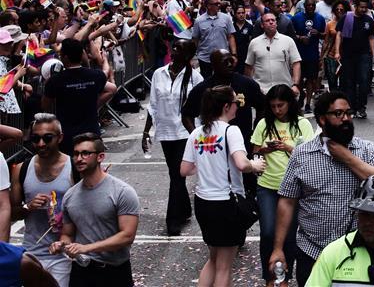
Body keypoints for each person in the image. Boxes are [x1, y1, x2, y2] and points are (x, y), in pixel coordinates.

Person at [270, 92, 374, 286]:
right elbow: (287, 201)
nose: (346, 119)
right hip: (312, 251)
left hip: (358, 252)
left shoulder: (367, 150)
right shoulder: (302, 155)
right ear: (322, 119)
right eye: (338, 114)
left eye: (348, 113)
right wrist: (278, 248)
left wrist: (348, 158)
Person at [180, 86, 266, 287]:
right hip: (226, 203)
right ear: (226, 106)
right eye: (236, 102)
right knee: (224, 266)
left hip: (203, 202)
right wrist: (255, 164)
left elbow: (185, 169)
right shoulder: (231, 131)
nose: (238, 106)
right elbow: (242, 164)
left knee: (213, 258)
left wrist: (207, 164)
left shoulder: (197, 133)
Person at [49, 133, 140, 286]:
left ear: (100, 157)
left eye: (85, 153)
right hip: (82, 271)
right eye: (76, 154)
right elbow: (67, 233)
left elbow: (127, 236)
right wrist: (62, 245)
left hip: (114, 272)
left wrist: (86, 248)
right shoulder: (70, 196)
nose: (79, 158)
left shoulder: (122, 191)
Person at [250, 85, 314, 287]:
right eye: (274, 106)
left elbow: (310, 154)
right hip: (267, 184)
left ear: (290, 103)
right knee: (268, 232)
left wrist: (287, 147)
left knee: (288, 235)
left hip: (294, 188)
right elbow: (254, 152)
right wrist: (265, 149)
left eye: (281, 105)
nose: (278, 110)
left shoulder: (302, 124)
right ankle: (270, 276)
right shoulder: (263, 123)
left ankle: (284, 276)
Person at [143, 38, 202, 236]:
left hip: (185, 132)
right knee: (175, 174)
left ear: (187, 55)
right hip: (166, 132)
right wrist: (146, 132)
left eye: (179, 48)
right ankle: (185, 208)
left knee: (177, 176)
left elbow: (200, 109)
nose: (173, 50)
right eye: (174, 47)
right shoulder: (159, 74)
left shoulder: (195, 78)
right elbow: (153, 104)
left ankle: (173, 220)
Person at [11, 114, 75, 286]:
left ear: (60, 137)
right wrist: (27, 207)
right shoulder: (22, 169)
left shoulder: (74, 168)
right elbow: (11, 213)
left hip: (63, 253)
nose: (41, 144)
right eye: (35, 138)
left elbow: (89, 212)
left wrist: (63, 218)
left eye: (47, 138)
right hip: (32, 252)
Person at [42, 39, 117, 154]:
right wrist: (93, 106)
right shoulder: (96, 75)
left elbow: (45, 105)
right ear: (82, 55)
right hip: (92, 132)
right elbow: (111, 87)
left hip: (67, 135)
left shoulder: (55, 80)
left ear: (65, 57)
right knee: (91, 167)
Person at [334, 0, 374, 118]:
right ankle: (351, 107)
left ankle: (361, 107)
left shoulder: (369, 20)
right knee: (349, 82)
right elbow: (339, 34)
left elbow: (371, 38)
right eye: (361, 7)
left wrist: (373, 55)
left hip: (364, 55)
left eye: (365, 7)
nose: (363, 10)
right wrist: (337, 51)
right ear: (356, 7)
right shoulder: (347, 18)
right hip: (348, 55)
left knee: (364, 81)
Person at [245, 12, 301, 95]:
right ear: (262, 25)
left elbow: (296, 63)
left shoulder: (288, 41)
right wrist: (250, 87)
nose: (271, 22)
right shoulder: (254, 42)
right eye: (267, 20)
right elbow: (249, 67)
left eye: (273, 20)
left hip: (284, 88)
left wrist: (295, 84)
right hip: (261, 90)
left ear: (276, 23)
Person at [291, 0, 326, 113]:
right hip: (299, 55)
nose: (311, 7)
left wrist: (319, 33)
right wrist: (300, 38)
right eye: (308, 5)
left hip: (313, 54)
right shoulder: (296, 18)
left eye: (313, 5)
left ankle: (308, 104)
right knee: (299, 79)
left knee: (311, 80)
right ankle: (301, 95)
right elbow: (291, 35)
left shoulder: (320, 19)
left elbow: (325, 35)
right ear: (304, 6)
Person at [192, 0, 237, 78]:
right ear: (209, 6)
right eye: (216, 4)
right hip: (205, 57)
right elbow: (195, 39)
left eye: (219, 3)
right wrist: (192, 57)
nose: (219, 6)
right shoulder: (199, 21)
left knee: (223, 81)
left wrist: (234, 54)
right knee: (206, 82)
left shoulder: (226, 18)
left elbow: (230, 36)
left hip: (223, 57)